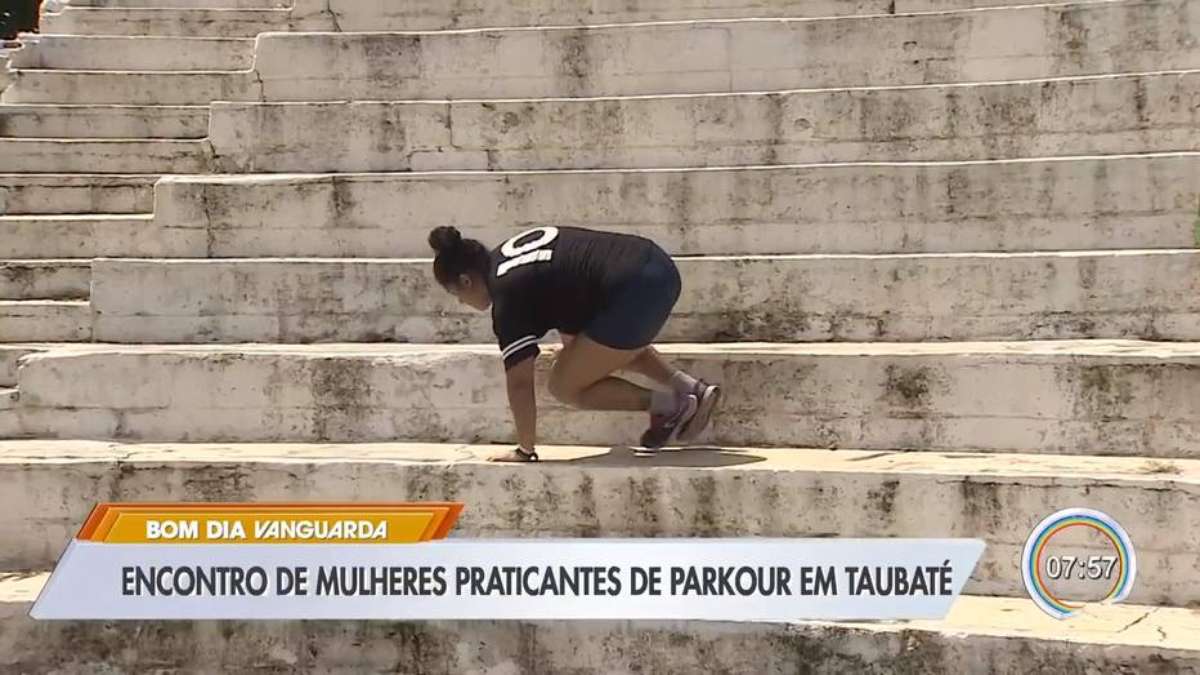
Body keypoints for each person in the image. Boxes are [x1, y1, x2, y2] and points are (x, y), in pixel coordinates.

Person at [428, 225, 721, 462]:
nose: (461, 302)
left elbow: (519, 383)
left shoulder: (506, 299)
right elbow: (577, 331)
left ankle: (671, 406)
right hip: (657, 265)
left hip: (635, 293)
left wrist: (524, 449)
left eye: (456, 294)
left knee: (564, 386)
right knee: (595, 342)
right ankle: (691, 388)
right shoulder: (509, 255)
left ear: (466, 281)